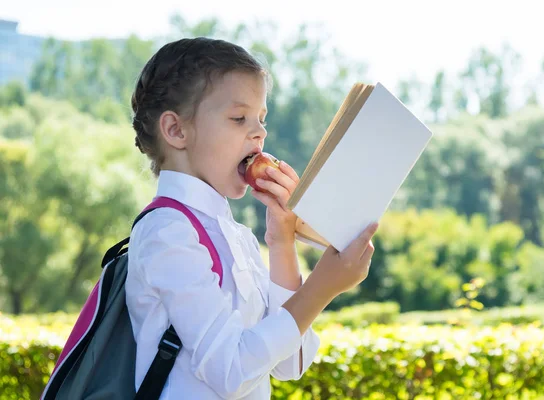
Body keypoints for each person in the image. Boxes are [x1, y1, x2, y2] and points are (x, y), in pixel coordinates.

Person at [126, 36, 379, 399]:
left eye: (261, 119)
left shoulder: (235, 233)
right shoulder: (167, 232)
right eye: (238, 117)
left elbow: (289, 363)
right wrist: (322, 287)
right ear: (176, 130)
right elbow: (232, 372)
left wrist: (282, 242)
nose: (259, 132)